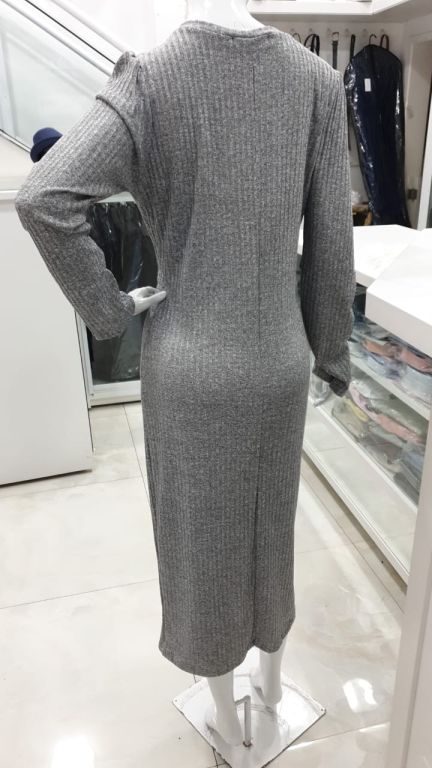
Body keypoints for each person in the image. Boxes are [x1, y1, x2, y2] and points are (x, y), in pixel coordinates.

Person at [14, 0, 356, 748]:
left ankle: (226, 714)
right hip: (279, 360)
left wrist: (109, 312)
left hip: (191, 363)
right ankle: (273, 686)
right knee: (271, 530)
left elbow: (44, 198)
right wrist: (331, 351)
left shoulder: (150, 79)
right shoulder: (316, 82)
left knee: (203, 547)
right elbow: (332, 235)